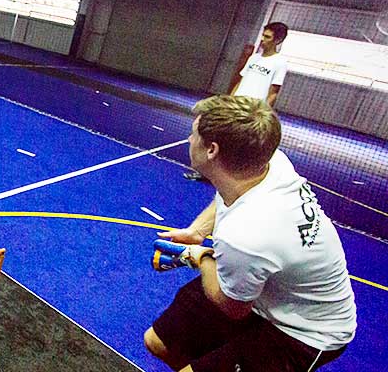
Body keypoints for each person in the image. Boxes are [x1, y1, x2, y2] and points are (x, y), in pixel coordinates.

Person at [145, 95, 357, 372]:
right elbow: (228, 194)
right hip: (262, 289)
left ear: (212, 149)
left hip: (302, 331)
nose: (188, 139)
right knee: (158, 342)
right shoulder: (266, 162)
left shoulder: (245, 236)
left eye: (193, 133)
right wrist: (198, 231)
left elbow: (232, 307)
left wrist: (199, 257)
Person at [184, 22, 289, 181]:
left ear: (278, 40)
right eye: (263, 35)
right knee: (215, 136)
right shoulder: (254, 58)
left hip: (249, 111)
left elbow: (273, 92)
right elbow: (241, 80)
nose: (262, 39)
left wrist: (264, 112)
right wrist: (229, 100)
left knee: (238, 145)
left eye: (267, 37)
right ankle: (206, 172)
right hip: (235, 105)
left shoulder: (279, 63)